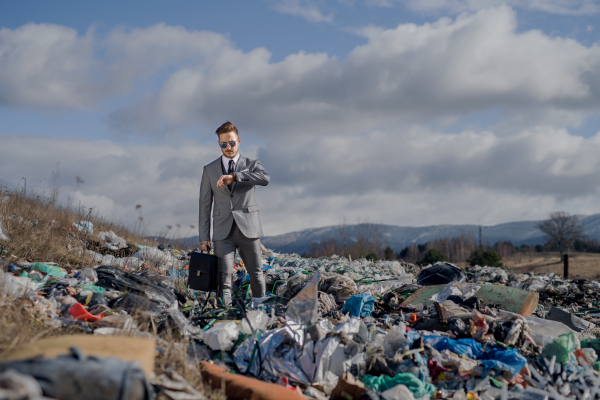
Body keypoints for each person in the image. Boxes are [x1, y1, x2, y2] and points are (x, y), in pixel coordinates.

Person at [198, 121, 270, 307]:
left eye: (231, 143)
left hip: (249, 228)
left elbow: (265, 178)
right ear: (219, 145)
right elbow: (205, 204)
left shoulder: (252, 165)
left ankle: (259, 312)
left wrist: (236, 176)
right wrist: (204, 237)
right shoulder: (209, 170)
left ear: (238, 141)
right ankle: (225, 314)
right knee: (224, 277)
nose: (228, 147)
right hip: (223, 230)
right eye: (224, 144)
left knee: (256, 274)